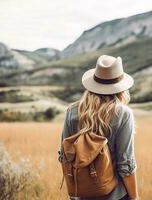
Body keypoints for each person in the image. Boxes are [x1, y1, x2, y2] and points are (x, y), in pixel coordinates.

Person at [58, 55, 139, 200]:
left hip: (80, 196)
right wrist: (135, 198)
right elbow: (125, 164)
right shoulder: (123, 114)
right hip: (115, 195)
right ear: (120, 88)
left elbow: (64, 156)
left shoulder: (72, 111)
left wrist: (76, 191)